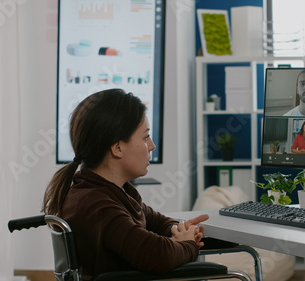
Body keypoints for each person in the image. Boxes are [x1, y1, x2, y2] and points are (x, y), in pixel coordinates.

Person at [42, 89, 208, 278]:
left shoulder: (108, 193)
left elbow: (155, 220)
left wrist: (181, 231)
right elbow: (157, 255)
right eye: (145, 137)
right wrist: (188, 245)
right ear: (118, 148)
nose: (152, 146)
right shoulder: (97, 206)